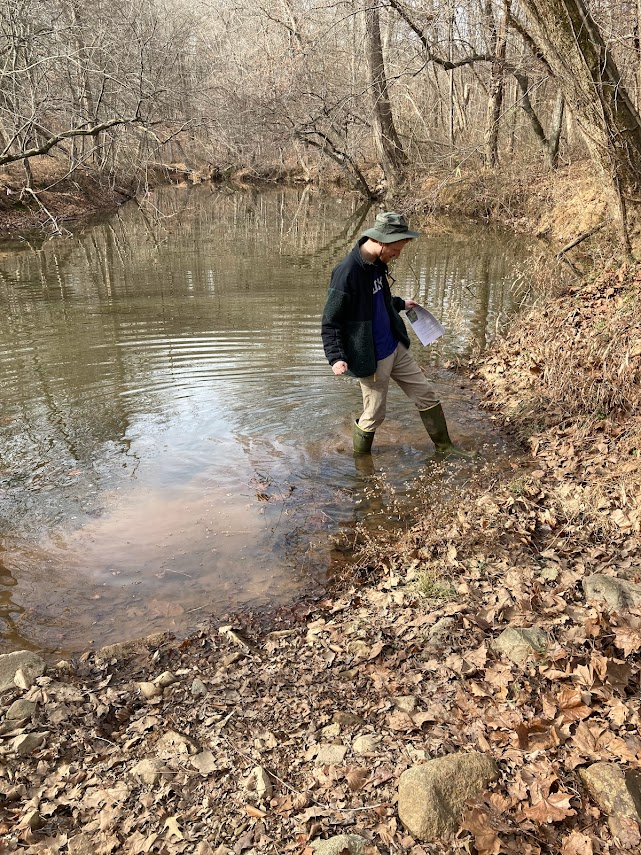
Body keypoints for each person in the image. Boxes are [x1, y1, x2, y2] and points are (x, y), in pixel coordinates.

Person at [321, 210, 475, 457]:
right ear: (381, 241)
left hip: (395, 346)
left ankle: (445, 448)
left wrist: (401, 304)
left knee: (426, 395)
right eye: (396, 249)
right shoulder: (347, 273)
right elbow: (330, 321)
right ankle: (361, 465)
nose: (397, 255)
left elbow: (376, 302)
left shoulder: (377, 266)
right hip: (372, 358)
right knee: (374, 415)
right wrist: (336, 356)